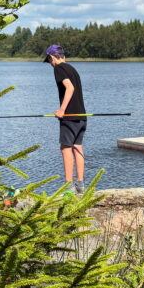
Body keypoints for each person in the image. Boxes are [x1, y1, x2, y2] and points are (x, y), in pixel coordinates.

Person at [43, 43, 86, 193]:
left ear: (52, 57)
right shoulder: (72, 68)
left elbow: (70, 88)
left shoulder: (59, 68)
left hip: (70, 116)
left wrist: (62, 109)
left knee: (66, 148)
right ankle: (80, 185)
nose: (50, 64)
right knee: (77, 147)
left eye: (49, 60)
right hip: (82, 116)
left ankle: (68, 186)